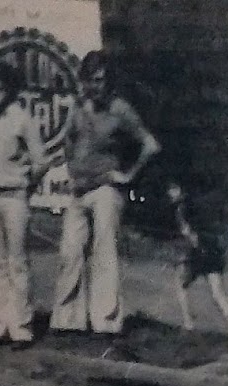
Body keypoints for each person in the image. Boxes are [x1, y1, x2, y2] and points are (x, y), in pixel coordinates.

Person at [49, 51, 161, 336]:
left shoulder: (120, 109)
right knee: (69, 251)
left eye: (101, 81)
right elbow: (67, 141)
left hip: (106, 190)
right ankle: (68, 321)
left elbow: (150, 145)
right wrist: (72, 168)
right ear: (83, 81)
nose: (96, 87)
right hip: (79, 189)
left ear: (109, 82)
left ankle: (106, 322)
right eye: (91, 81)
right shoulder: (77, 107)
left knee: (103, 251)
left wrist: (126, 175)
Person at [0, 62, 49, 350]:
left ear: (10, 90)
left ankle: (21, 328)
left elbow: (41, 161)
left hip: (15, 199)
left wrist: (26, 185)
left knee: (17, 263)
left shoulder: (22, 119)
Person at [166, 182, 228, 339]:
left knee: (181, 285)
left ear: (178, 190)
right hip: (213, 250)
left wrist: (189, 255)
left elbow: (189, 233)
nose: (170, 196)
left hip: (200, 252)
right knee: (218, 294)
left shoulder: (181, 208)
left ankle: (189, 324)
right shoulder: (202, 204)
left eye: (171, 192)